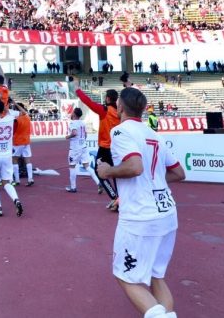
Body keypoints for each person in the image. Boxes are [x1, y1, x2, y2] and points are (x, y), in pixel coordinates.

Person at [96, 87, 185, 318]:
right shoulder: (155, 135)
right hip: (167, 213)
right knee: (156, 277)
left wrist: (107, 171)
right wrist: (152, 181)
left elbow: (135, 167)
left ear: (120, 107)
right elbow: (179, 173)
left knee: (125, 276)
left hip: (140, 217)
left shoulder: (120, 131)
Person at [75, 80, 121, 210]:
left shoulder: (104, 110)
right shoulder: (119, 112)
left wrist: (78, 90)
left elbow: (88, 102)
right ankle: (120, 199)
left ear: (108, 98)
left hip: (105, 148)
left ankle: (115, 198)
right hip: (117, 147)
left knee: (99, 172)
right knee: (116, 173)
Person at [65, 108, 99, 193]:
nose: (71, 114)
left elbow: (74, 133)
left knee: (72, 166)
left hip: (75, 149)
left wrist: (68, 137)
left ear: (74, 114)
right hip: (83, 147)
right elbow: (85, 135)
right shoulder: (82, 123)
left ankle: (73, 187)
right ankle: (98, 182)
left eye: (72, 112)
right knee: (87, 166)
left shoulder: (72, 123)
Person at [11, 102, 34, 186]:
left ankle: (17, 180)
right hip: (26, 141)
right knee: (27, 160)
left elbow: (13, 131)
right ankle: (30, 178)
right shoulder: (27, 117)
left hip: (17, 141)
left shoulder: (16, 119)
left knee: (14, 159)